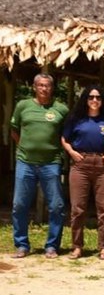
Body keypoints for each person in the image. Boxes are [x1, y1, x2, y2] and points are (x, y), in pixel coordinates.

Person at [10, 73, 69, 259]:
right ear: (34, 87)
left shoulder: (61, 109)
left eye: (48, 85)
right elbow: (14, 129)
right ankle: (21, 245)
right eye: (41, 85)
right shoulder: (23, 106)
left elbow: (66, 134)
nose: (45, 89)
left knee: (56, 206)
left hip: (51, 163)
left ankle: (52, 246)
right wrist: (24, 147)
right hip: (25, 162)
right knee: (19, 205)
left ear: (53, 88)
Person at [61, 85, 104, 260]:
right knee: (78, 209)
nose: (94, 100)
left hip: (103, 167)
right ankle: (77, 247)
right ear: (85, 99)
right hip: (80, 166)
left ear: (102, 100)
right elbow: (64, 139)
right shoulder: (76, 119)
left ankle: (103, 247)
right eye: (91, 97)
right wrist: (71, 152)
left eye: (98, 97)